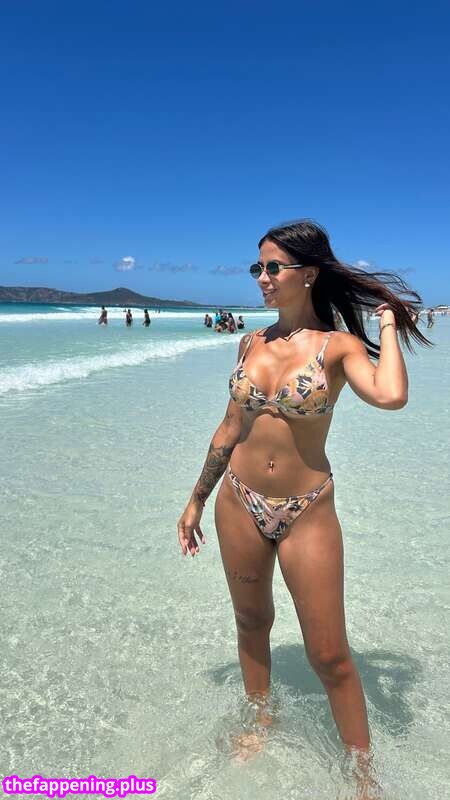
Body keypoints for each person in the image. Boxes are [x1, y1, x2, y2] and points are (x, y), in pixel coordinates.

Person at [177, 219, 431, 794]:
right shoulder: (250, 342)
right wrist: (195, 499)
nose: (262, 278)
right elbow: (230, 427)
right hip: (237, 499)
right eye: (258, 267)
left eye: (273, 267)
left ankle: (363, 774)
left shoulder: (337, 347)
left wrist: (388, 326)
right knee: (251, 623)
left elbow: (391, 395)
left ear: (309, 273)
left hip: (307, 507)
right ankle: (259, 722)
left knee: (330, 655)